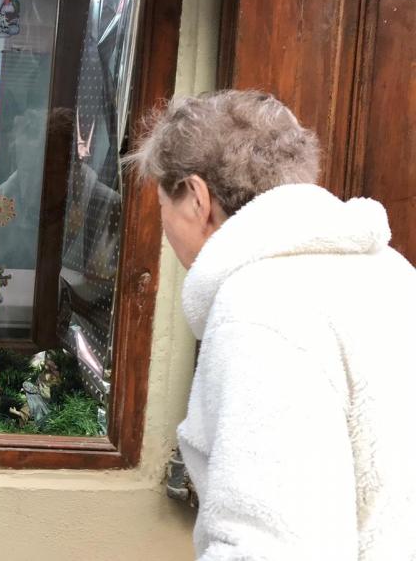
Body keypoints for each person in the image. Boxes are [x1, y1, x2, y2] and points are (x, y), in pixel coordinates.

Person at [126, 90, 416, 560]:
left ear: (197, 198)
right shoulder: (392, 273)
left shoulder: (258, 309)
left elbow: (271, 545)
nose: (164, 226)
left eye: (163, 204)